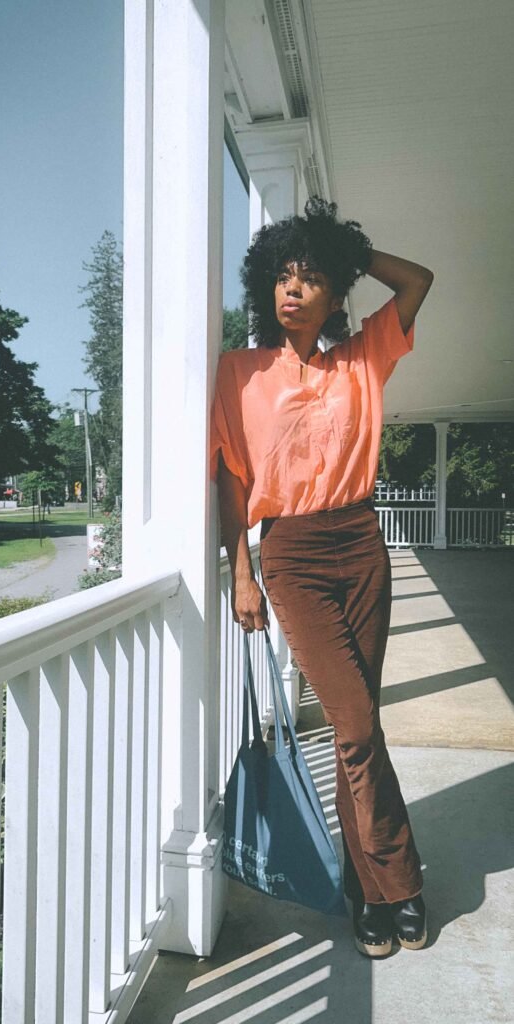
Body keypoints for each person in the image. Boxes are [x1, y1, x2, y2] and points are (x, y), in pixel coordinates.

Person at [211, 197, 434, 958]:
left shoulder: (362, 357)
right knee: (356, 725)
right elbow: (231, 482)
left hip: (360, 541)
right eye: (282, 276)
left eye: (310, 279)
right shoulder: (238, 373)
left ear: (334, 293)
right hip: (293, 555)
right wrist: (239, 571)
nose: (292, 290)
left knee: (352, 732)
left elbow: (417, 281)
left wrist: (344, 253)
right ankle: (397, 885)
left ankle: (361, 892)